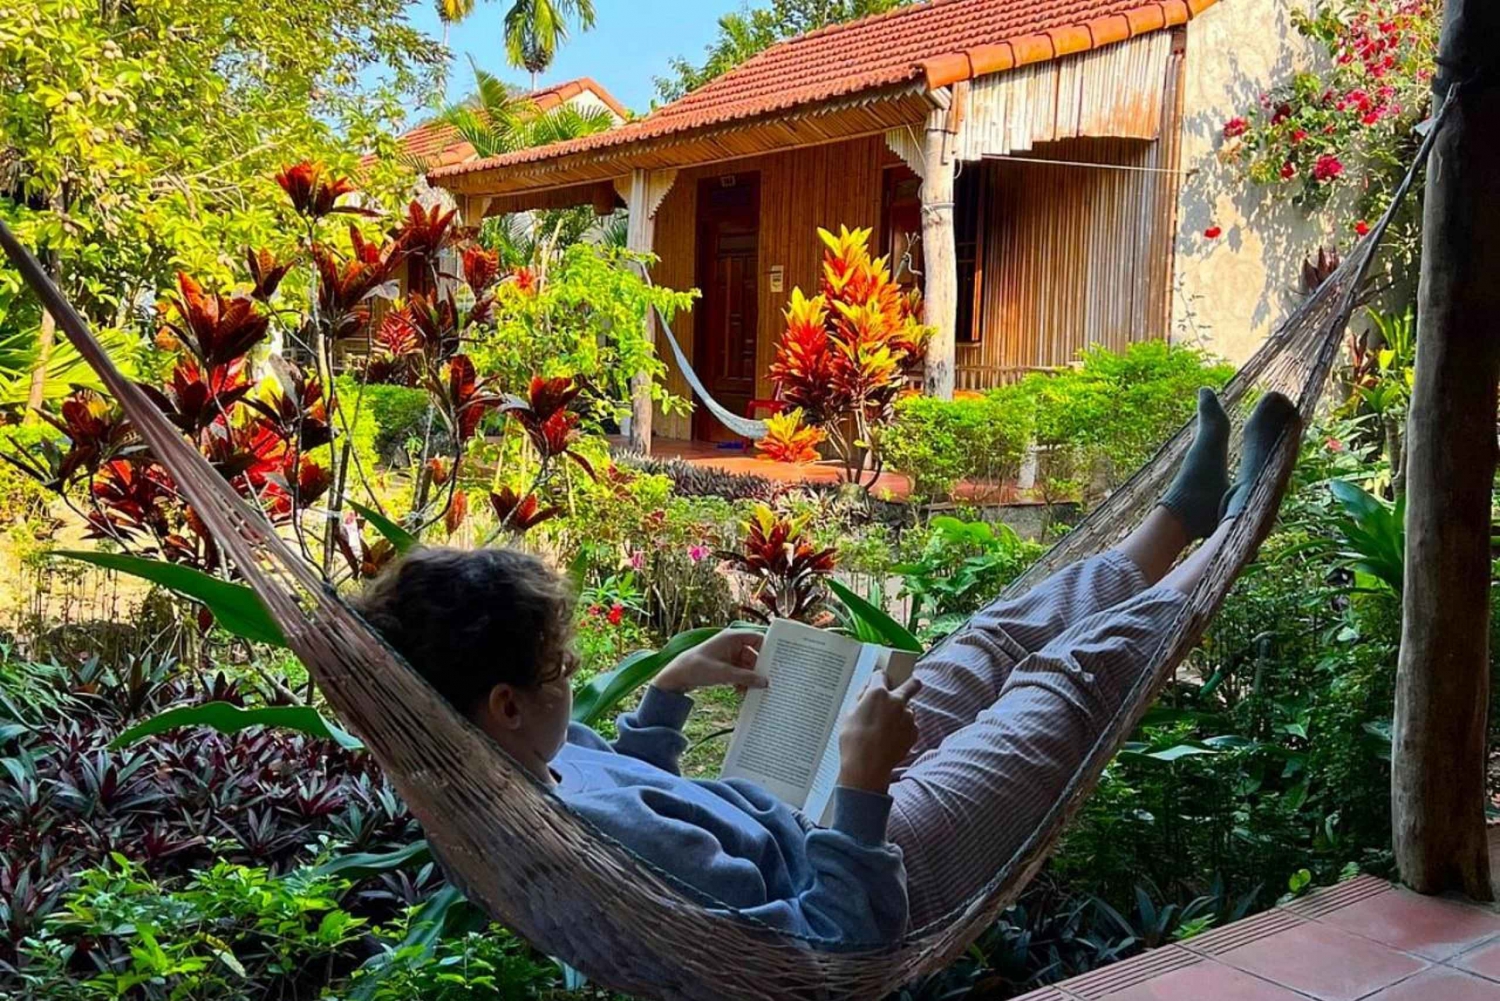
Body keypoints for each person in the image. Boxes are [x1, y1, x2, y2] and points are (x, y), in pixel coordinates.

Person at [354, 389, 1300, 946]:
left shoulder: (509, 767)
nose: (574, 677)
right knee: (1063, 683)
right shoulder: (594, 850)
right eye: (561, 667)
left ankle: (1172, 524)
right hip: (885, 870)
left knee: (986, 644)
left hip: (813, 814)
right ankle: (1229, 540)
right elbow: (831, 948)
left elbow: (637, 790)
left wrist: (667, 697)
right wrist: (864, 784)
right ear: (506, 703)